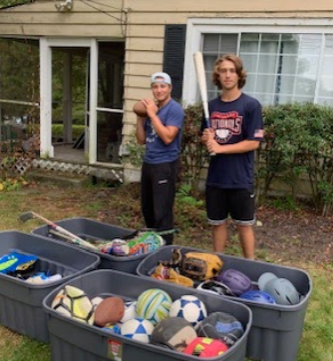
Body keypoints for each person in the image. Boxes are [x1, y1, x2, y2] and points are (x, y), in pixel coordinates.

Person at [201, 54, 264, 259]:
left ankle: (251, 264)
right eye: (223, 71)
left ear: (239, 75)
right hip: (216, 178)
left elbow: (253, 142)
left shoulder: (251, 106)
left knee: (244, 225)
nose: (227, 75)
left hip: (240, 178)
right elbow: (207, 137)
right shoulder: (210, 107)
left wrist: (220, 148)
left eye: (232, 71)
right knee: (217, 223)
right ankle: (216, 263)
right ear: (217, 76)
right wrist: (206, 138)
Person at [136, 72, 184, 245]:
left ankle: (165, 247)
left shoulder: (174, 109)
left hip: (165, 165)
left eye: (163, 86)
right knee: (147, 209)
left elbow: (168, 137)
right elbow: (142, 140)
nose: (159, 90)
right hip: (148, 163)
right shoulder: (153, 110)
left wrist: (152, 115)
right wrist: (140, 119)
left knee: (162, 211)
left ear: (170, 88)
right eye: (155, 87)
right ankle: (152, 244)